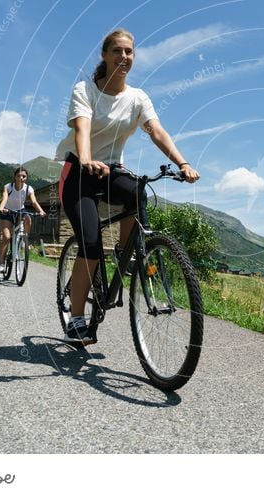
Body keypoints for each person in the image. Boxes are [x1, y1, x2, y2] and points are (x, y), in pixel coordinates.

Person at [55, 28, 200, 344]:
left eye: (129, 52)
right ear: (105, 55)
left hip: (111, 171)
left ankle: (130, 250)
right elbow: (82, 128)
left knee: (137, 191)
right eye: (118, 51)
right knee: (90, 245)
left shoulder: (137, 98)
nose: (124, 57)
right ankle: (76, 318)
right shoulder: (86, 90)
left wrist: (183, 162)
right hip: (79, 171)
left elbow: (156, 131)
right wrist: (87, 158)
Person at [0, 167, 46, 273]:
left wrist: (41, 211)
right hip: (7, 211)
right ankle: (1, 264)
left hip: (20, 210)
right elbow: (5, 198)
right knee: (6, 237)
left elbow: (34, 202)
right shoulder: (8, 187)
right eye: (19, 176)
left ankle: (24, 239)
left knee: (28, 219)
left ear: (26, 178)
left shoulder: (29, 189)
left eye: (24, 176)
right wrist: (1, 208)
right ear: (15, 177)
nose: (21, 178)